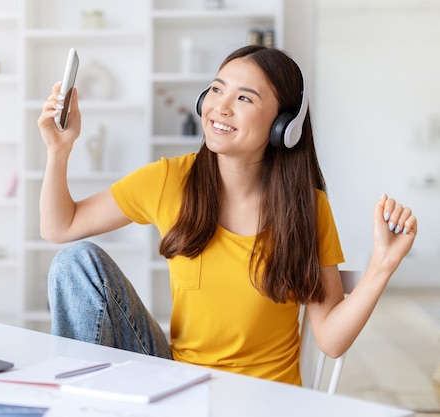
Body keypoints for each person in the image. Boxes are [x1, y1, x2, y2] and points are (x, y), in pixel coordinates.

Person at [36, 45, 417, 386]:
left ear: (283, 127)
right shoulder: (169, 180)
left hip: (265, 400)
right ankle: (75, 401)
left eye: (245, 99)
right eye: (217, 90)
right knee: (75, 261)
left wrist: (383, 263)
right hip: (177, 387)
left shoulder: (306, 209)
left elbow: (331, 341)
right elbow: (60, 227)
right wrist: (59, 151)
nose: (221, 106)